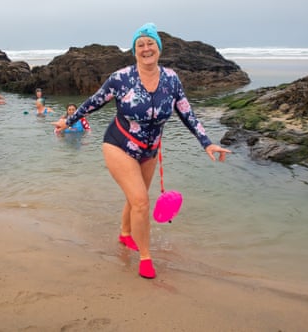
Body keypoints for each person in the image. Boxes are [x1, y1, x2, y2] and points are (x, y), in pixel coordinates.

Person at [54, 23, 231, 279]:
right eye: (140, 45)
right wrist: (67, 121)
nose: (146, 48)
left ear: (158, 48)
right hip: (119, 144)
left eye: (150, 44)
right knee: (141, 201)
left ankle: (125, 235)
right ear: (134, 51)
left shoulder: (171, 79)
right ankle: (146, 258)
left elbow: (186, 112)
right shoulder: (121, 78)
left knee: (135, 199)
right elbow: (94, 102)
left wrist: (207, 142)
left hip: (150, 150)